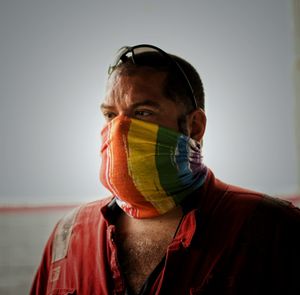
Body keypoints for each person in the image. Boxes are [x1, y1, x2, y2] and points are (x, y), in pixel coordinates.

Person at [30, 44, 300, 295]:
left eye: (143, 112)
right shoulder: (68, 235)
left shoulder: (271, 228)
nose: (118, 131)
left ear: (195, 126)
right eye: (111, 115)